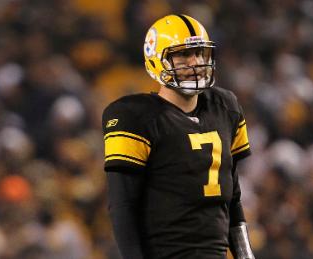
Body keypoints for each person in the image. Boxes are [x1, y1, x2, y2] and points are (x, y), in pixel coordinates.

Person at [102, 14, 256, 259]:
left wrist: (246, 256)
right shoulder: (135, 116)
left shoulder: (225, 107)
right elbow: (123, 206)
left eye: (199, 53)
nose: (194, 62)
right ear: (156, 60)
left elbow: (233, 198)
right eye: (183, 54)